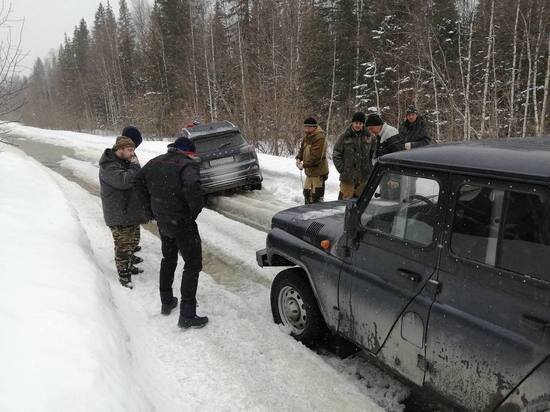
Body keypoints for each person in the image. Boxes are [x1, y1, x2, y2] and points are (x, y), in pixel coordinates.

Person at [135, 136, 208, 329]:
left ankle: (166, 301)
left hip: (164, 221)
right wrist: (193, 212)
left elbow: (137, 181)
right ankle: (187, 313)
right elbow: (194, 188)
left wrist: (150, 210)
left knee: (169, 258)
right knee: (193, 264)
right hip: (182, 222)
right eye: (193, 154)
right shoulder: (187, 165)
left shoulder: (155, 162)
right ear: (189, 152)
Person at [99, 136, 151, 289]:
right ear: (119, 149)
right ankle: (124, 275)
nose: (132, 154)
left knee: (133, 241)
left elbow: (138, 178)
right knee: (123, 245)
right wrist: (135, 167)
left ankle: (129, 266)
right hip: (118, 212)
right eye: (129, 150)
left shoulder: (124, 161)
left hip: (129, 210)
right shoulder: (108, 165)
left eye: (133, 150)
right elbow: (125, 181)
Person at [333, 112, 374, 200]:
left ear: (363, 124)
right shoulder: (344, 137)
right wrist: (342, 169)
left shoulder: (369, 137)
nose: (358, 125)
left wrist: (370, 168)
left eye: (360, 123)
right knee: (343, 204)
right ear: (352, 123)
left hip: (363, 178)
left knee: (360, 203)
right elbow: (336, 153)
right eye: (356, 123)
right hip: (347, 178)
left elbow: (373, 155)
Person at [121, 126, 144, 261]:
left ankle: (132, 249)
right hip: (125, 198)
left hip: (133, 196)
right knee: (127, 231)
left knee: (134, 228)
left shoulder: (130, 152)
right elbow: (126, 178)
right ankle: (128, 257)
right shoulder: (122, 153)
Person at [295, 117, 329, 204]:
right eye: (305, 127)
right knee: (307, 194)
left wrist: (303, 165)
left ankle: (317, 216)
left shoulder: (320, 138)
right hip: (310, 172)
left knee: (316, 197)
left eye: (309, 127)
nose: (306, 129)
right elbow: (302, 150)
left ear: (315, 127)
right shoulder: (307, 136)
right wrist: (298, 158)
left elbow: (316, 158)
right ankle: (307, 215)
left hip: (318, 173)